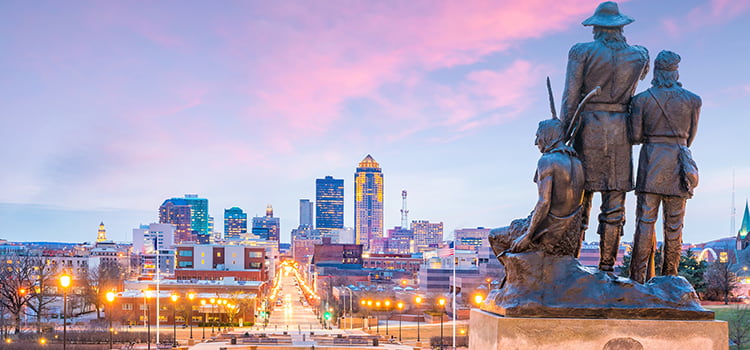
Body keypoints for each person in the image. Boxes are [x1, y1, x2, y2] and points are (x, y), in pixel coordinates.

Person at [560, 1, 649, 272]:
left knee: (578, 200)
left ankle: (571, 264)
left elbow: (570, 97)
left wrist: (562, 138)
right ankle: (607, 266)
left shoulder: (581, 52)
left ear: (596, 28)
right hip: (621, 130)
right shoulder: (640, 55)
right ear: (622, 28)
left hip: (588, 129)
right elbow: (642, 77)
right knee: (614, 203)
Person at [628, 50, 701, 283]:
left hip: (650, 163)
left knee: (644, 222)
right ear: (676, 71)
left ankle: (638, 279)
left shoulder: (641, 100)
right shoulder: (693, 100)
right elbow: (690, 138)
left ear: (657, 72)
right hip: (678, 164)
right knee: (674, 225)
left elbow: (635, 136)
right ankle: (670, 278)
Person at [488, 118, 585, 257]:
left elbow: (544, 202)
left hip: (548, 232)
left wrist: (528, 236)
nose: (536, 142)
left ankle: (517, 277)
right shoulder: (577, 162)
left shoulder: (547, 161)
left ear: (547, 136)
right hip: (569, 235)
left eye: (538, 137)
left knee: (494, 236)